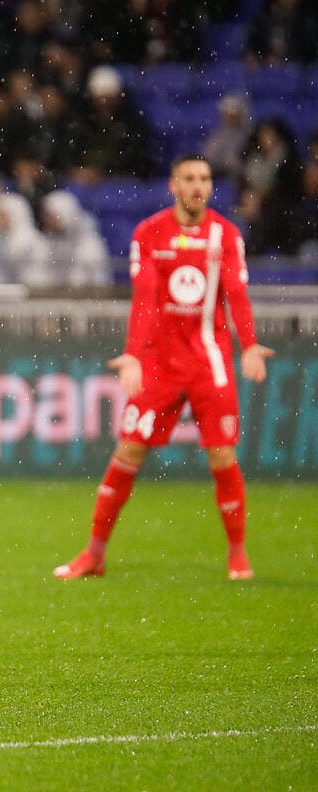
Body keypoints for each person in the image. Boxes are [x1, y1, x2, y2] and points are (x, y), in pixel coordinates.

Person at [54, 155, 275, 582]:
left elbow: (236, 292)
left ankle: (237, 555)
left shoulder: (225, 235)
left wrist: (247, 346)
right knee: (128, 452)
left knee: (223, 456)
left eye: (205, 179)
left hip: (209, 363)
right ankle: (94, 554)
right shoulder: (150, 233)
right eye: (189, 179)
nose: (198, 186)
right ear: (173, 185)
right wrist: (134, 354)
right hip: (160, 364)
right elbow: (145, 299)